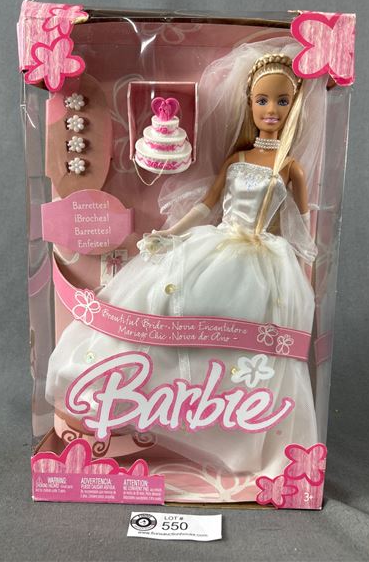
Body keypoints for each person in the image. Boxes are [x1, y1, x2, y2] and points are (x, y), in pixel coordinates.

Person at [46, 38, 328, 481]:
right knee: (170, 305)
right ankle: (158, 397)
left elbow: (302, 222)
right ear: (250, 105)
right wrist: (170, 234)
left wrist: (305, 270)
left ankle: (236, 427)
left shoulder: (291, 167)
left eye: (281, 101)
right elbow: (206, 207)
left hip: (263, 260)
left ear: (294, 106)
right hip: (218, 245)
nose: (270, 110)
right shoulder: (237, 158)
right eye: (261, 100)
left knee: (252, 343)